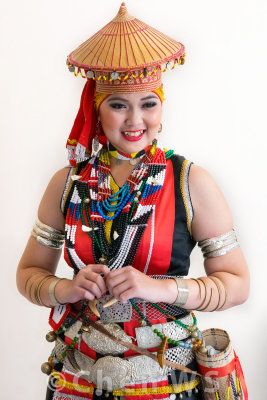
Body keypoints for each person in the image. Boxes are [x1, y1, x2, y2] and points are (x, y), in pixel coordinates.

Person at [16, 3, 249, 400]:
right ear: (97, 108)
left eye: (148, 103)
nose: (134, 120)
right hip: (80, 375)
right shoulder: (69, 183)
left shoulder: (190, 181)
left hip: (166, 375)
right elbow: (29, 275)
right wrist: (64, 289)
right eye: (119, 105)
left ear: (162, 106)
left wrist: (161, 290)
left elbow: (237, 284)